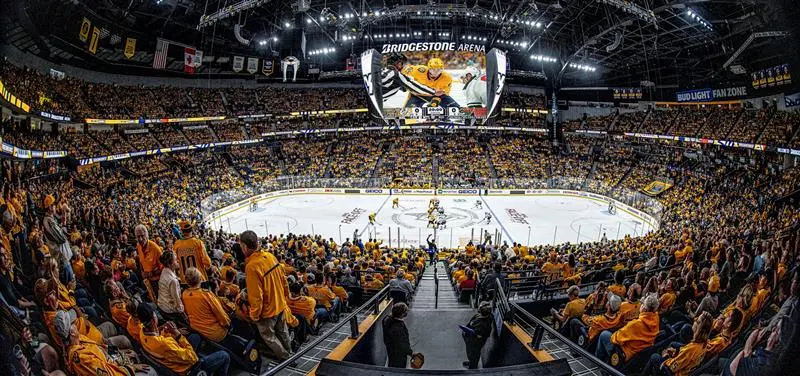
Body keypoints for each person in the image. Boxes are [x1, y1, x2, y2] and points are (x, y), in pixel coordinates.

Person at [240, 230, 292, 361]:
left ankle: (286, 358)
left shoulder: (251, 266)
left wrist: (255, 315)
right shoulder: (270, 256)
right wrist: (286, 293)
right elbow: (283, 277)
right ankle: (291, 353)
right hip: (279, 302)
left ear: (245, 247)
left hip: (267, 311)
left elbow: (256, 296)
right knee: (283, 331)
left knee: (269, 336)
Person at [137, 303, 230, 376]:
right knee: (225, 355)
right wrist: (178, 335)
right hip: (189, 369)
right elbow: (193, 358)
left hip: (173, 357)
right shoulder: (165, 343)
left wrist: (164, 330)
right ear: (154, 319)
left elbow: (157, 337)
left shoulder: (142, 331)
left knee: (195, 337)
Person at [181, 267, 255, 358]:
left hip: (197, 329)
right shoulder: (206, 294)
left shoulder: (184, 294)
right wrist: (228, 324)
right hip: (214, 333)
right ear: (200, 278)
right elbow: (221, 315)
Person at [55, 311, 156, 376]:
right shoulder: (82, 358)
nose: (76, 324)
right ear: (71, 332)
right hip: (116, 370)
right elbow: (109, 374)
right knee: (151, 371)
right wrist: (131, 367)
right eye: (73, 324)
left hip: (111, 360)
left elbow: (100, 348)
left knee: (132, 353)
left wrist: (120, 352)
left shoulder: (79, 339)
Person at [595, 293, 660, 363]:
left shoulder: (635, 324)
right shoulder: (656, 319)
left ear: (644, 309)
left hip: (626, 353)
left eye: (643, 304)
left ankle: (598, 361)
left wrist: (615, 333)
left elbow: (616, 339)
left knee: (604, 334)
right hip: (640, 351)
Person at [173, 220, 212, 284]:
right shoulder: (198, 243)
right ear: (191, 230)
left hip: (185, 280)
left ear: (182, 231)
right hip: (199, 279)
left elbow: (175, 263)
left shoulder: (176, 244)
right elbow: (207, 262)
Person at [462, 301, 494, 369]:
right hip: (472, 338)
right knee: (473, 354)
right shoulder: (480, 316)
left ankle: (473, 366)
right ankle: (472, 362)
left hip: (474, 342)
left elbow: (478, 335)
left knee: (473, 354)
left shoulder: (483, 324)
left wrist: (470, 336)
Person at [135, 224, 162, 301]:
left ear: (147, 236)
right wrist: (142, 271)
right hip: (148, 281)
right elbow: (141, 260)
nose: (140, 239)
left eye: (142, 236)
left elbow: (164, 267)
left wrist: (151, 273)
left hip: (158, 282)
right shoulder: (139, 247)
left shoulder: (155, 249)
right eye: (138, 236)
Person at [156, 251, 186, 323]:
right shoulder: (172, 280)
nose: (178, 261)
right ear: (169, 264)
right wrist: (183, 315)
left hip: (161, 305)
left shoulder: (165, 270)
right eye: (175, 260)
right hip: (168, 311)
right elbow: (177, 300)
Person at [383, 302, 413, 368]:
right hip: (398, 355)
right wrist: (411, 353)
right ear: (402, 313)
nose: (406, 313)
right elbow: (403, 344)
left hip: (391, 351)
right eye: (405, 311)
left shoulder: (388, 320)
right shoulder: (398, 329)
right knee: (399, 368)